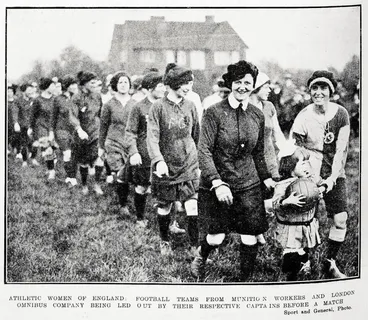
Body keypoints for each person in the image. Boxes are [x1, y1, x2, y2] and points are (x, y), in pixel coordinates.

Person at [192, 60, 275, 282]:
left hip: (248, 184)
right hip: (218, 182)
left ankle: (244, 280)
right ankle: (201, 255)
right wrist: (217, 183)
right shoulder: (213, 112)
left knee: (249, 236)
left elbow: (258, 153)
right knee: (216, 237)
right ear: (230, 83)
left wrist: (266, 178)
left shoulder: (257, 115)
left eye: (248, 83)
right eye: (238, 82)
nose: (243, 87)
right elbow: (204, 151)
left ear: (253, 85)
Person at [291, 70, 350, 279]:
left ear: (331, 91)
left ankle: (329, 262)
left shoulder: (341, 113)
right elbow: (296, 150)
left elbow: (341, 149)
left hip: (335, 172)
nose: (318, 92)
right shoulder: (303, 116)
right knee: (307, 221)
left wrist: (332, 179)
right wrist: (314, 178)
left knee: (340, 218)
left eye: (323, 88)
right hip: (310, 173)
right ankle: (304, 262)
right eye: (314, 88)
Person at [147, 65, 200, 256]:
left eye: (190, 83)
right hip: (166, 165)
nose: (188, 87)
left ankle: (195, 248)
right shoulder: (157, 107)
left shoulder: (191, 105)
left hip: (189, 162)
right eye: (184, 83)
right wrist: (158, 160)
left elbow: (196, 135)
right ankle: (165, 242)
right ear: (173, 84)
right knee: (165, 204)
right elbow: (152, 137)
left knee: (192, 204)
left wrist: (198, 160)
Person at [264, 142, 326, 281]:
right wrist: (286, 202)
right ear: (291, 167)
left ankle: (304, 263)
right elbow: (274, 204)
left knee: (303, 245)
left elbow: (321, 186)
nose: (307, 166)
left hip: (306, 223)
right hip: (290, 226)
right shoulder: (282, 185)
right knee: (292, 249)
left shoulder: (310, 181)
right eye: (303, 163)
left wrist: (318, 193)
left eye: (308, 162)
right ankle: (291, 273)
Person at [125, 71, 165, 227]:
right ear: (150, 88)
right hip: (145, 154)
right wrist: (134, 152)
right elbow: (130, 132)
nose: (163, 89)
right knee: (142, 187)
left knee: (169, 188)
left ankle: (171, 222)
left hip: (164, 154)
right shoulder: (139, 107)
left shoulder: (166, 105)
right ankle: (140, 218)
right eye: (159, 86)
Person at [99, 71, 136, 215]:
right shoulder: (109, 104)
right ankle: (123, 205)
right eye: (120, 82)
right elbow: (103, 126)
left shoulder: (135, 104)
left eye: (126, 82)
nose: (123, 85)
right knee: (121, 173)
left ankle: (125, 193)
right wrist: (101, 147)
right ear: (115, 85)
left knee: (130, 175)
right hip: (113, 142)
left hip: (130, 143)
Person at [69, 71, 104, 195]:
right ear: (84, 84)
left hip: (96, 131)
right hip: (82, 133)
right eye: (92, 82)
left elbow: (101, 113)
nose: (95, 85)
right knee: (83, 162)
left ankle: (97, 184)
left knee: (99, 158)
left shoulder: (97, 96)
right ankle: (84, 185)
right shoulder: (76, 98)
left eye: (96, 82)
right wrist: (79, 129)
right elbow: (73, 116)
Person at [250, 72, 286, 183]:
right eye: (266, 87)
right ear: (256, 88)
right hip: (251, 164)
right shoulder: (245, 108)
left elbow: (278, 133)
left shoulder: (269, 106)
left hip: (270, 159)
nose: (269, 90)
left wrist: (286, 152)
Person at [49, 75, 79, 186]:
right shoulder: (58, 100)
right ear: (66, 86)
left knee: (74, 154)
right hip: (61, 130)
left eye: (75, 84)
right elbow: (53, 117)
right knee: (67, 153)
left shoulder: (77, 99)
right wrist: (51, 132)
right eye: (72, 84)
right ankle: (69, 176)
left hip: (74, 131)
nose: (75, 86)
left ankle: (72, 176)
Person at [28, 78, 58, 180]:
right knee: (47, 147)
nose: (54, 87)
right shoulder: (37, 100)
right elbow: (32, 115)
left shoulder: (55, 99)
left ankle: (49, 164)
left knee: (53, 148)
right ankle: (51, 171)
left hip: (53, 127)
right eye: (52, 85)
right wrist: (30, 128)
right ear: (46, 86)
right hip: (41, 127)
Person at [12, 83, 39, 167]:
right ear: (23, 91)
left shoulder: (34, 100)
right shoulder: (18, 101)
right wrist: (16, 123)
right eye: (29, 90)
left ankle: (33, 158)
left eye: (32, 89)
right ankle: (24, 160)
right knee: (24, 144)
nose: (31, 91)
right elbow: (15, 112)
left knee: (36, 143)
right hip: (23, 126)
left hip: (34, 126)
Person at [7, 83, 20, 156]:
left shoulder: (16, 101)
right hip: (7, 122)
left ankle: (18, 151)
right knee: (8, 135)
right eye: (8, 91)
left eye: (11, 91)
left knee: (17, 136)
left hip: (16, 122)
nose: (9, 93)